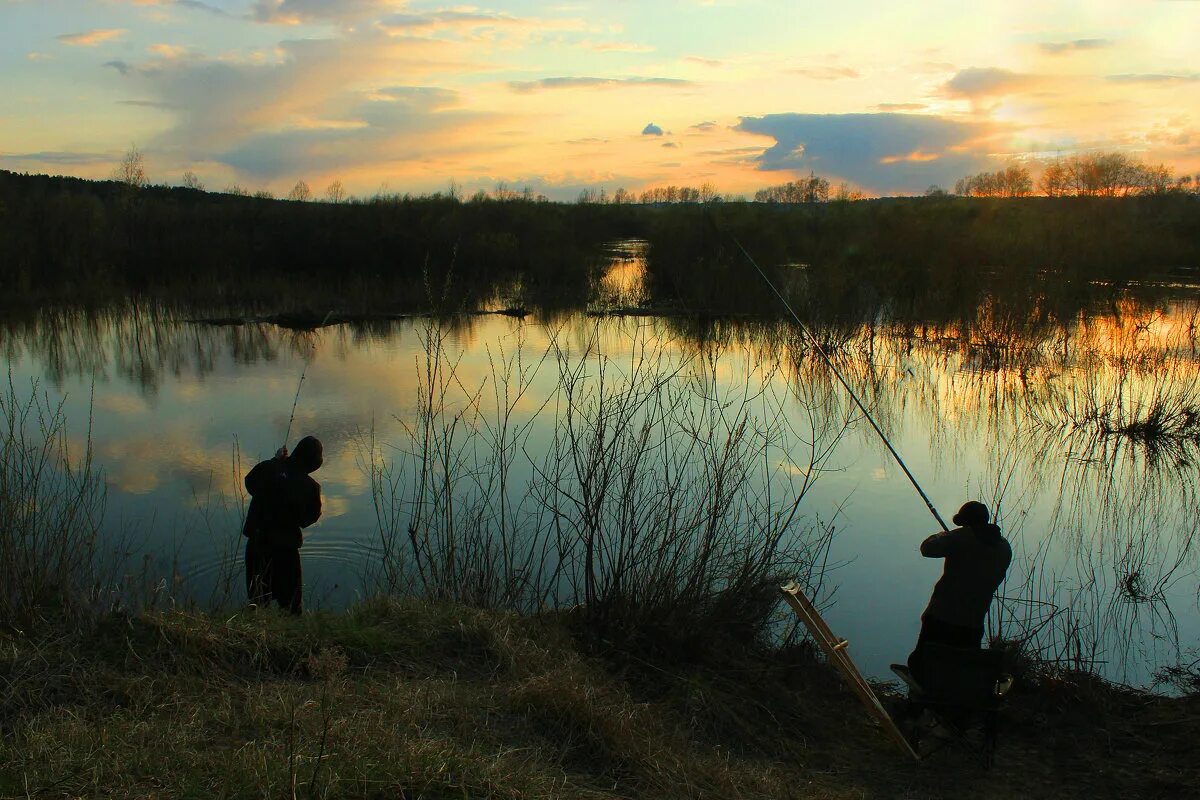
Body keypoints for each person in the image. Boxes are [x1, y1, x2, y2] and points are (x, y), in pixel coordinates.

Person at [907, 500, 1012, 688]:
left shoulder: (959, 538)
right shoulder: (1004, 548)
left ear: (967, 523)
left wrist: (945, 535)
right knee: (962, 671)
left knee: (922, 665)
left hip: (940, 619)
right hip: (973, 624)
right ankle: (956, 708)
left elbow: (927, 548)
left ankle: (921, 708)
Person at [243, 435, 323, 614]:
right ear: (315, 462)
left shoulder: (267, 468)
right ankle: (291, 637)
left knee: (257, 600)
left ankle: (254, 635)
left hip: (257, 545)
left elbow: (250, 483)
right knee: (291, 605)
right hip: (286, 552)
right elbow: (308, 519)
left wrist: (276, 461)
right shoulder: (311, 487)